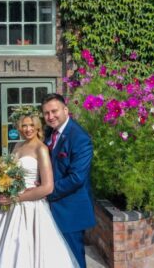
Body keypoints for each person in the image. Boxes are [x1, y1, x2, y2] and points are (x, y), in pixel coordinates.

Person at [0, 107, 78, 268]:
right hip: (8, 202)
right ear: (19, 127)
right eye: (24, 125)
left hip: (29, 206)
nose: (28, 129)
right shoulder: (18, 145)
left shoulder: (41, 149)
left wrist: (15, 198)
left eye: (31, 125)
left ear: (38, 126)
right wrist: (1, 183)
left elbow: (47, 187)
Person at [41, 93, 96, 268]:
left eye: (54, 111)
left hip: (70, 210)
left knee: (73, 258)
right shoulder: (50, 133)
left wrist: (46, 191)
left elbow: (77, 178)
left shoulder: (80, 138)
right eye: (46, 113)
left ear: (66, 110)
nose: (50, 116)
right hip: (50, 209)